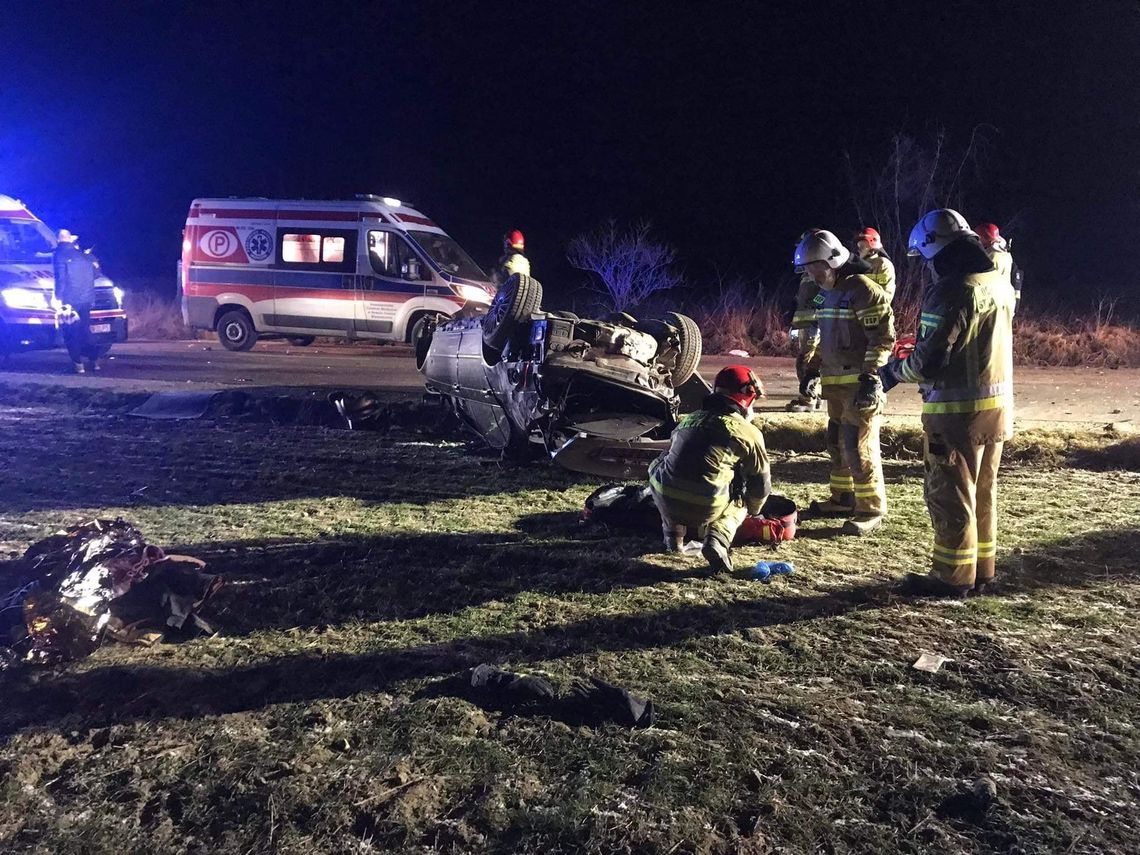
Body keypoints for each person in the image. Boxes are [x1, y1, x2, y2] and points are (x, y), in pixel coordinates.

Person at [879, 209, 1016, 597]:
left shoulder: (952, 290)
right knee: (983, 492)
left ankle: (951, 578)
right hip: (997, 408)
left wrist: (892, 373)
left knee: (951, 494)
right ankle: (982, 570)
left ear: (938, 250)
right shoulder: (998, 282)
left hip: (956, 415)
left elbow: (929, 361)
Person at [795, 229, 894, 535]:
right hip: (835, 382)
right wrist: (811, 368)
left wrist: (871, 378)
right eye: (808, 268)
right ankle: (843, 497)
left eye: (816, 266)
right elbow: (826, 336)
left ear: (834, 261)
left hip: (859, 385)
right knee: (837, 439)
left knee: (857, 444)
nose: (812, 274)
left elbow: (883, 338)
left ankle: (871, 508)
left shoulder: (863, 289)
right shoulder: (827, 292)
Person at [648, 365, 771, 574]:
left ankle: (673, 540)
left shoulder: (690, 419)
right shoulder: (748, 432)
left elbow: (675, 458)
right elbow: (760, 486)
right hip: (707, 505)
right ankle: (717, 539)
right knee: (742, 501)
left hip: (666, 499)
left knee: (662, 466)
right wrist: (754, 510)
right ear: (746, 396)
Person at [52, 230, 100, 373]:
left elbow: (60, 278)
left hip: (69, 300)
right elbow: (96, 273)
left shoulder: (59, 254)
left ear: (58, 239)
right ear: (70, 239)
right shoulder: (84, 255)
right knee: (85, 330)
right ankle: (95, 361)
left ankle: (78, 364)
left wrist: (58, 298)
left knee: (71, 332)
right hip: (87, 298)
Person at [786, 230, 824, 412]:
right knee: (805, 359)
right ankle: (812, 396)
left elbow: (824, 294)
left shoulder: (821, 271)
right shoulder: (808, 274)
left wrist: (817, 310)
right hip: (805, 323)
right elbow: (801, 301)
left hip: (814, 324)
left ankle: (808, 398)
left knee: (806, 360)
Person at [975, 222, 1022, 313]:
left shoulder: (989, 256)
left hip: (993, 304)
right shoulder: (1005, 254)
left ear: (984, 239)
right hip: (1006, 302)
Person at [855, 227, 897, 300]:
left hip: (875, 309)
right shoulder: (857, 266)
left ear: (872, 246)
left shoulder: (883, 263)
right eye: (858, 246)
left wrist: (859, 279)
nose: (858, 249)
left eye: (862, 246)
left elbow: (884, 290)